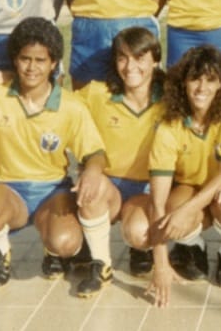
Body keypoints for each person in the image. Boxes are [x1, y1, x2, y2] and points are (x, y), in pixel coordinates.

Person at [0, 18, 114, 296]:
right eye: (24, 59)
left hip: (51, 190)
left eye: (40, 60)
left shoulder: (71, 105)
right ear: (14, 60)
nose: (32, 67)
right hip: (7, 188)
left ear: (54, 63)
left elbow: (95, 152)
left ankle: (53, 250)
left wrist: (93, 171)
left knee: (65, 242)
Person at [146, 45, 221, 307]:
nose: (201, 87)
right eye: (195, 78)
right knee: (172, 209)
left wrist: (188, 210)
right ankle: (194, 248)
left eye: (210, 80)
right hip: (190, 186)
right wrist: (160, 263)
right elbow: (157, 202)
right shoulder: (169, 123)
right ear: (183, 82)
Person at [74, 27, 165, 279]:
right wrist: (2, 79)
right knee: (90, 187)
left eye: (140, 58)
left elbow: (212, 98)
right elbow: (56, 102)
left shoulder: (170, 100)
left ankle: (139, 248)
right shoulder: (97, 93)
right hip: (109, 185)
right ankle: (100, 264)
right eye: (123, 57)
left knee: (139, 233)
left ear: (156, 61)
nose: (130, 66)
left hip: (147, 189)